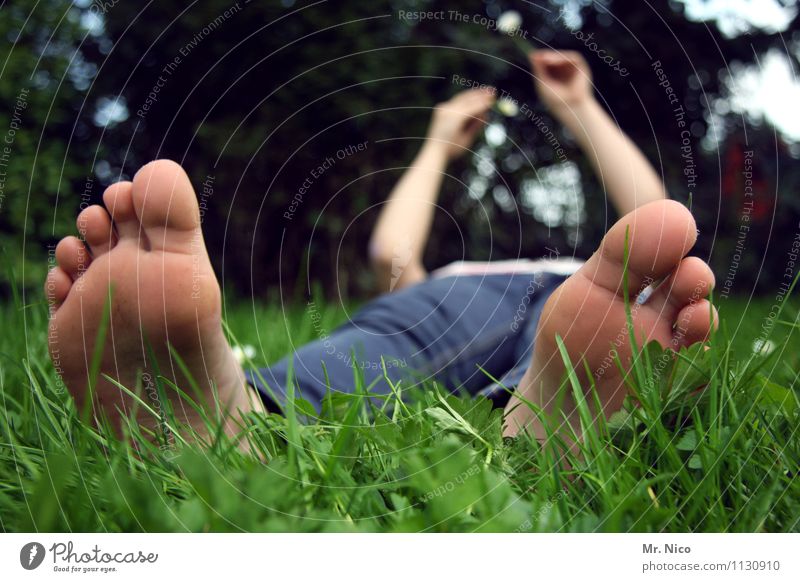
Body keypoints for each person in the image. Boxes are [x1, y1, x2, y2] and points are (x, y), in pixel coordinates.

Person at [45, 50, 716, 444]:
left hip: (593, 296)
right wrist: (438, 142)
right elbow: (394, 260)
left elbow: (654, 220)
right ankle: (230, 411)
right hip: (459, 296)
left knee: (592, 311)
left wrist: (577, 105)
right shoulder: (456, 270)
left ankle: (548, 408)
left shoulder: (605, 270)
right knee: (388, 336)